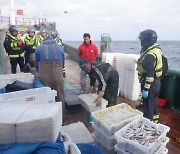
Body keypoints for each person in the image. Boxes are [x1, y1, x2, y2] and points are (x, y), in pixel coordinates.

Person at [35, 35, 65, 118]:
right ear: (53, 40)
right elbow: (63, 63)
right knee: (60, 95)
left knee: (46, 96)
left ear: (44, 40)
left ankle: (47, 117)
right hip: (58, 74)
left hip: (44, 75)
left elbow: (36, 65)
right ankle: (61, 117)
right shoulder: (59, 48)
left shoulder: (39, 48)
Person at [137, 29, 163, 123]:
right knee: (153, 103)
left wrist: (146, 89)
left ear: (147, 41)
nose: (141, 42)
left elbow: (150, 74)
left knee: (148, 107)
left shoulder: (149, 55)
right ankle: (155, 122)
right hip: (156, 83)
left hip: (150, 84)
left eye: (142, 40)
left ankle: (148, 125)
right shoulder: (156, 49)